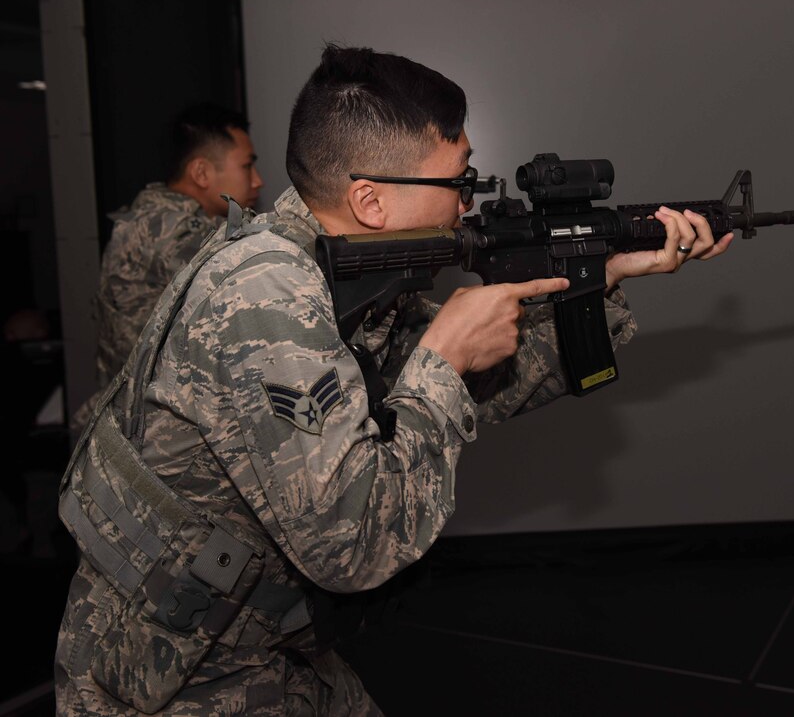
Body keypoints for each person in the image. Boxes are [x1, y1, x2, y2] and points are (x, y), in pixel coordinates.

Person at [55, 45, 732, 715]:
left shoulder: (336, 267)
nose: (468, 206)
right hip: (175, 676)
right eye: (459, 184)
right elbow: (354, 544)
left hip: (257, 638)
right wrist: (441, 358)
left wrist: (605, 273)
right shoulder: (265, 295)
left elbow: (491, 379)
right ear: (370, 200)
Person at [92, 102, 263, 387]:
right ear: (201, 173)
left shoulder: (154, 217)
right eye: (247, 166)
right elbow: (256, 280)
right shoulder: (171, 230)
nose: (258, 181)